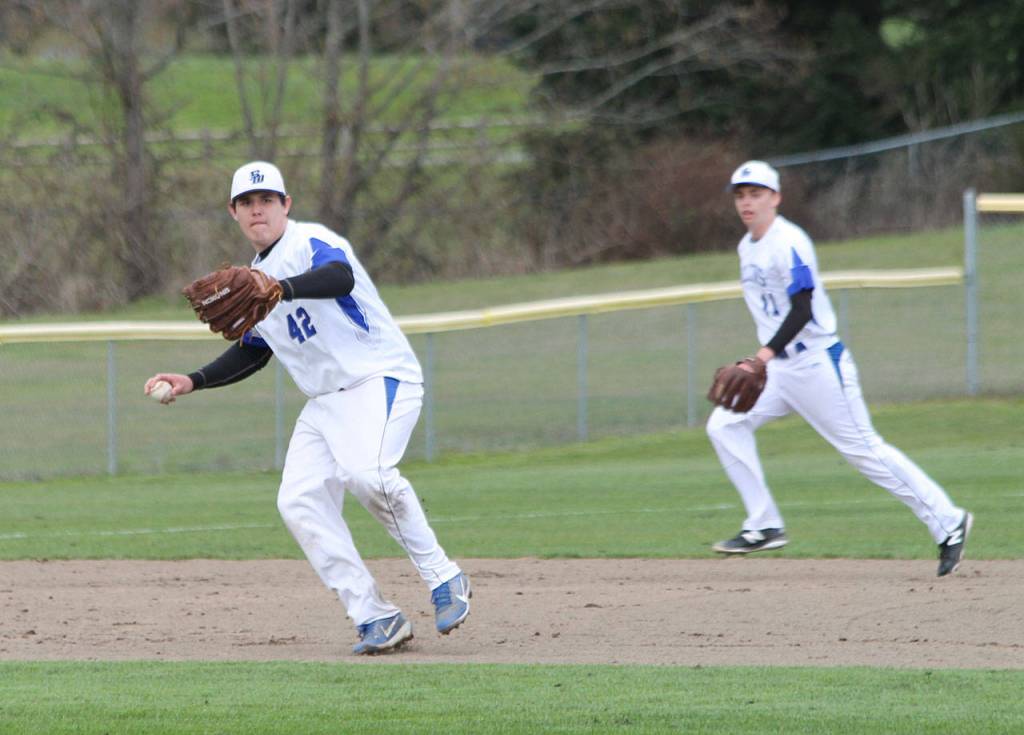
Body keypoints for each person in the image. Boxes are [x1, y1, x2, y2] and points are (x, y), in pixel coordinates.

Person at [144, 161, 470, 654]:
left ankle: (445, 578)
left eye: (268, 200)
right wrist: (193, 380)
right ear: (233, 213)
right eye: (248, 203)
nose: (259, 210)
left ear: (286, 205)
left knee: (369, 474)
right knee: (297, 501)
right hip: (325, 402)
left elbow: (339, 277)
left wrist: (283, 287)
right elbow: (255, 349)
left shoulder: (311, 242)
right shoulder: (248, 281)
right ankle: (376, 616)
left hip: (378, 377)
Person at [706, 160, 973, 577]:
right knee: (724, 426)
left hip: (815, 363)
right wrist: (768, 358)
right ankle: (764, 524)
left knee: (864, 451)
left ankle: (948, 520)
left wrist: (761, 356)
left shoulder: (789, 241)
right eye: (740, 195)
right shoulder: (747, 247)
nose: (747, 202)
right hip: (779, 369)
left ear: (775, 197)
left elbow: (802, 307)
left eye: (756, 194)